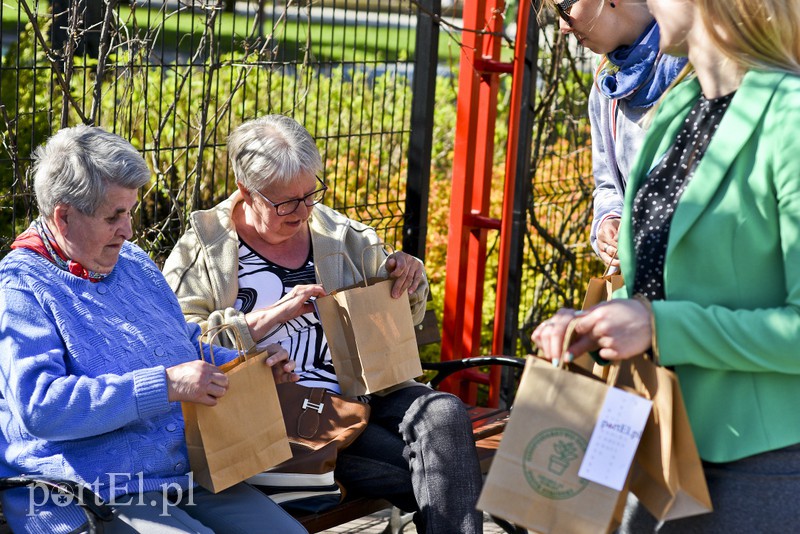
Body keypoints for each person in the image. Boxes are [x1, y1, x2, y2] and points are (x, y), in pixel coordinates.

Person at [533, 0, 800, 531]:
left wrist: (658, 326)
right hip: (653, 438)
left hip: (757, 461)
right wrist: (596, 325)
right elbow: (656, 279)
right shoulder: (676, 111)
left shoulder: (789, 117)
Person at [162, 114, 485, 533]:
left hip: (361, 396)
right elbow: (177, 341)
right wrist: (267, 319)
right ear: (246, 190)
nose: (303, 211)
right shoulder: (202, 251)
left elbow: (407, 319)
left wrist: (408, 278)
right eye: (286, 203)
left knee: (441, 412)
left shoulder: (340, 236)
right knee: (438, 470)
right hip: (279, 415)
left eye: (309, 194)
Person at [0, 125, 307, 534]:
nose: (128, 230)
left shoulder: (132, 263)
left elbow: (178, 347)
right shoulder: (21, 288)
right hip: (89, 491)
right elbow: (42, 407)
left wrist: (246, 366)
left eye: (129, 212)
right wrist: (162, 386)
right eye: (114, 216)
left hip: (184, 474)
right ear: (64, 216)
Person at [541, 0, 687, 265]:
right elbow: (608, 184)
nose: (563, 25)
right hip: (643, 283)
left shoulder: (698, 69)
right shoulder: (606, 86)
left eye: (564, 6)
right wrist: (608, 220)